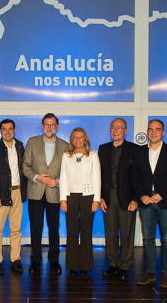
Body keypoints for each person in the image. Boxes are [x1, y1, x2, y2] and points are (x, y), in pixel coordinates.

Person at [131, 119, 167, 287]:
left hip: (164, 202)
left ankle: (165, 274)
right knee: (148, 239)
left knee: (166, 238)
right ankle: (150, 273)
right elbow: (134, 176)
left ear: (163, 132)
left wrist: (162, 194)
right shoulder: (139, 152)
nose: (153, 132)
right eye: (150, 129)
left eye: (157, 129)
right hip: (145, 202)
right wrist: (141, 196)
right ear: (147, 132)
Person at [22, 113, 69, 274]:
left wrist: (57, 181)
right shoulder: (32, 142)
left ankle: (54, 261)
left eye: (52, 125)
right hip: (35, 192)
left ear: (56, 127)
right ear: (42, 126)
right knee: (36, 228)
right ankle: (35, 261)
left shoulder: (65, 145)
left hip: (54, 193)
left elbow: (67, 172)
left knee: (54, 229)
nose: (49, 127)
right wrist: (37, 177)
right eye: (46, 124)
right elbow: (25, 166)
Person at [98, 118, 139, 281]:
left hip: (127, 197)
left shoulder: (135, 149)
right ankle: (113, 264)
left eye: (119, 128)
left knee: (127, 233)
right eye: (113, 127)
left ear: (125, 131)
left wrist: (136, 199)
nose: (115, 130)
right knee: (111, 231)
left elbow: (138, 176)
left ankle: (125, 265)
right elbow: (99, 175)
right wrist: (100, 196)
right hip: (108, 196)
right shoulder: (103, 149)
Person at [59, 128, 101, 277]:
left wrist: (96, 200)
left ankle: (84, 266)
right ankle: (71, 266)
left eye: (81, 137)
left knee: (86, 232)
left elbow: (97, 178)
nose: (78, 140)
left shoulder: (93, 155)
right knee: (71, 232)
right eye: (75, 137)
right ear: (71, 140)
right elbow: (63, 177)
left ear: (85, 140)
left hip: (88, 197)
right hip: (70, 197)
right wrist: (62, 199)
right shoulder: (66, 156)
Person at [0, 119, 27, 275]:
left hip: (18, 192)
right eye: (4, 129)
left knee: (16, 229)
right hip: (1, 194)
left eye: (10, 129)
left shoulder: (21, 147)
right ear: (0, 131)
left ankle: (15, 259)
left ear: (14, 130)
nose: (7, 132)